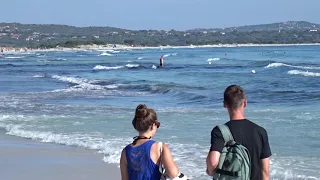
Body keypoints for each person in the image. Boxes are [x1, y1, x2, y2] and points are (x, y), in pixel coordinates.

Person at [206, 85, 271, 180]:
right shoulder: (260, 132)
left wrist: (210, 171)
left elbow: (213, 163)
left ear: (224, 104)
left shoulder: (220, 131)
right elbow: (265, 172)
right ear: (245, 103)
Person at [120, 104, 186, 180]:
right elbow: (173, 174)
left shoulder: (125, 151)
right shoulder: (160, 147)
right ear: (152, 126)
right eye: (157, 124)